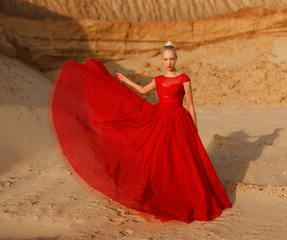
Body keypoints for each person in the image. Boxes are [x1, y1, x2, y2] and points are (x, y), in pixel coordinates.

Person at [48, 41, 232, 224]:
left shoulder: (184, 79)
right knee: (162, 159)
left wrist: (194, 128)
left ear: (176, 59)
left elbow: (190, 105)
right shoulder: (158, 80)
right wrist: (125, 80)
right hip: (161, 119)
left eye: (172, 59)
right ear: (162, 60)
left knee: (183, 159)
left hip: (179, 120)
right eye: (166, 59)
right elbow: (142, 91)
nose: (169, 62)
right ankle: (165, 198)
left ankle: (190, 198)